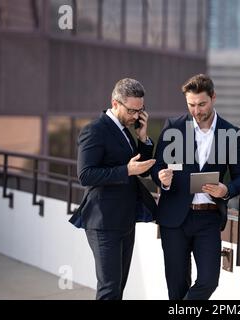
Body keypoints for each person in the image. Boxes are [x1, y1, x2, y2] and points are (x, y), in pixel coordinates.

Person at [151, 74, 240, 300]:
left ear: (213, 98)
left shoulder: (230, 133)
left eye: (202, 104)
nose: (196, 110)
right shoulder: (173, 126)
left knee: (208, 281)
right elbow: (158, 166)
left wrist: (227, 190)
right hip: (174, 219)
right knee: (176, 288)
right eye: (191, 105)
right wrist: (161, 178)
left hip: (208, 219)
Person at [72, 78, 156, 300]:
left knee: (118, 288)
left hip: (125, 220)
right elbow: (85, 175)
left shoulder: (125, 130)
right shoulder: (95, 130)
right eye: (132, 110)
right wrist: (125, 170)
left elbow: (141, 170)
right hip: (103, 222)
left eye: (141, 110)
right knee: (109, 289)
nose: (136, 116)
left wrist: (144, 138)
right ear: (115, 103)